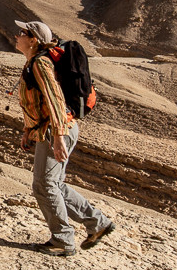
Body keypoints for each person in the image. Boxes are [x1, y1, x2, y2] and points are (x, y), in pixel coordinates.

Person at [13, 20, 116, 256]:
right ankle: (97, 223)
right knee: (54, 183)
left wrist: (58, 136)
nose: (16, 36)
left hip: (57, 129)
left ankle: (62, 240)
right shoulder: (34, 63)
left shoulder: (40, 64)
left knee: (44, 185)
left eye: (22, 32)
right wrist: (28, 130)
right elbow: (36, 103)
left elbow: (56, 101)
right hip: (53, 129)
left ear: (33, 40)